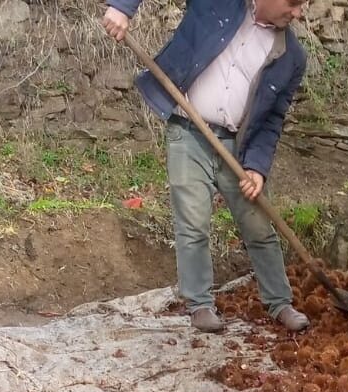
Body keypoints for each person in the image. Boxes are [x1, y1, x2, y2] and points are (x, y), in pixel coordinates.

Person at [101, 0, 310, 332]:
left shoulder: (291, 56)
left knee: (259, 227)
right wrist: (123, 8)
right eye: (295, 3)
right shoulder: (217, 3)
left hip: (237, 149)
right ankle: (200, 305)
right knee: (193, 223)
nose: (298, 13)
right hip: (189, 132)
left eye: (304, 6)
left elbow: (272, 120)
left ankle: (280, 303)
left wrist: (256, 167)